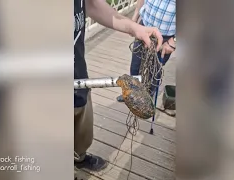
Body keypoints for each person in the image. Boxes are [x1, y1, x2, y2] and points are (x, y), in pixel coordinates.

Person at [74, 0, 163, 172]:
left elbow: (91, 4)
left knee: (80, 118)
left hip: (77, 73)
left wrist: (134, 27)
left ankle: (79, 156)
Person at [116, 0, 176, 102]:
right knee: (135, 65)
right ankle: (131, 93)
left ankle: (147, 99)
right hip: (144, 28)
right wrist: (135, 17)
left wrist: (174, 40)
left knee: (154, 71)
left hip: (165, 37)